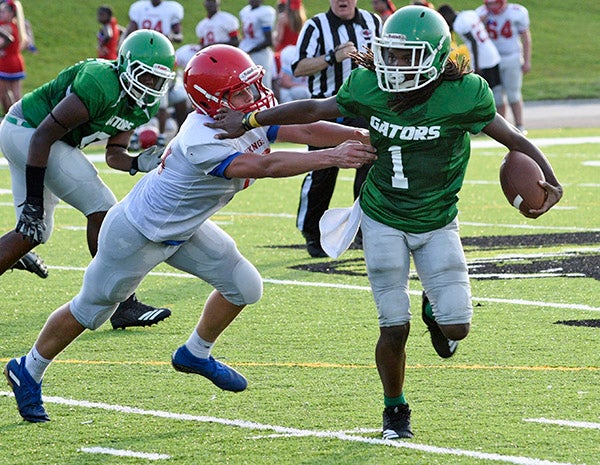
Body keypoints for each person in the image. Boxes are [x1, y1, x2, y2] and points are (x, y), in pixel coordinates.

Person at [207, 5, 563, 439]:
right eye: (391, 54)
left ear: (435, 57)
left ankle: (435, 309)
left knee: (457, 328)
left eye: (407, 55)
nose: (395, 65)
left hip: (436, 219)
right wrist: (250, 118)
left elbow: (514, 139)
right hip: (381, 216)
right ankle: (395, 410)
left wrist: (552, 181)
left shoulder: (464, 93)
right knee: (393, 325)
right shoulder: (368, 83)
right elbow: (316, 107)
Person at [2, 44, 376, 423]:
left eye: (252, 87)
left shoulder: (243, 113)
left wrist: (365, 137)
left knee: (245, 286)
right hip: (137, 233)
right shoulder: (202, 138)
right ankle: (27, 369)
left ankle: (195, 353)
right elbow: (267, 164)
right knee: (90, 310)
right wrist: (331, 157)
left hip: (184, 228)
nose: (254, 97)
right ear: (214, 101)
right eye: (241, 92)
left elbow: (307, 127)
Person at [0, 30, 177, 330]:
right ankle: (123, 304)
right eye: (144, 76)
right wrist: (32, 201)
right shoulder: (99, 81)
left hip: (32, 136)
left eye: (157, 80)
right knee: (103, 209)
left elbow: (114, 153)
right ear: (125, 65)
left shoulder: (140, 105)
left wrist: (136, 162)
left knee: (34, 232)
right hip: (29, 132)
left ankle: (14, 250)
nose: (150, 86)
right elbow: (44, 135)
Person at [289, 0, 381, 258]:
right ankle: (312, 233)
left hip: (362, 108)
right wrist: (332, 57)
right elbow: (298, 68)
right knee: (322, 171)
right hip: (325, 108)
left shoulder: (373, 23)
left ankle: (365, 228)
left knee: (370, 167)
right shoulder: (316, 26)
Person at [124, 0, 187, 147]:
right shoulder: (139, 8)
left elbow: (179, 35)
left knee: (161, 97)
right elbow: (130, 32)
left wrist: (169, 38)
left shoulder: (172, 9)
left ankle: (161, 135)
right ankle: (133, 132)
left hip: (162, 58)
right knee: (134, 96)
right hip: (141, 59)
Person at [476, 0, 531, 133]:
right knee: (497, 96)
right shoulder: (481, 13)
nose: (491, 7)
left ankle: (520, 126)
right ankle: (503, 130)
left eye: (493, 3)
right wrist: (480, 22)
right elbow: (475, 33)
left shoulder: (517, 12)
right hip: (492, 60)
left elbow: (526, 37)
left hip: (512, 57)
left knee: (513, 95)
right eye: (488, 4)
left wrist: (527, 60)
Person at [437, 4, 501, 92]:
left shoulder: (458, 24)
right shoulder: (469, 13)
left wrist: (477, 66)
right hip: (492, 53)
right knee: (496, 90)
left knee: (483, 92)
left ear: (447, 15)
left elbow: (473, 42)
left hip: (483, 60)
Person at [239, 0, 276, 89]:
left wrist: (250, 50)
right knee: (246, 86)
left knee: (261, 87)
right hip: (247, 51)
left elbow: (268, 41)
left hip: (260, 54)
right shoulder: (245, 11)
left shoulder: (266, 12)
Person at [0, 0, 27, 115]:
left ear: (11, 14)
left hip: (6, 63)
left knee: (3, 93)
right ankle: (21, 115)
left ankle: (9, 116)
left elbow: (4, 41)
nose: (0, 14)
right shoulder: (17, 26)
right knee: (17, 94)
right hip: (17, 62)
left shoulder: (6, 27)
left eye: (2, 12)